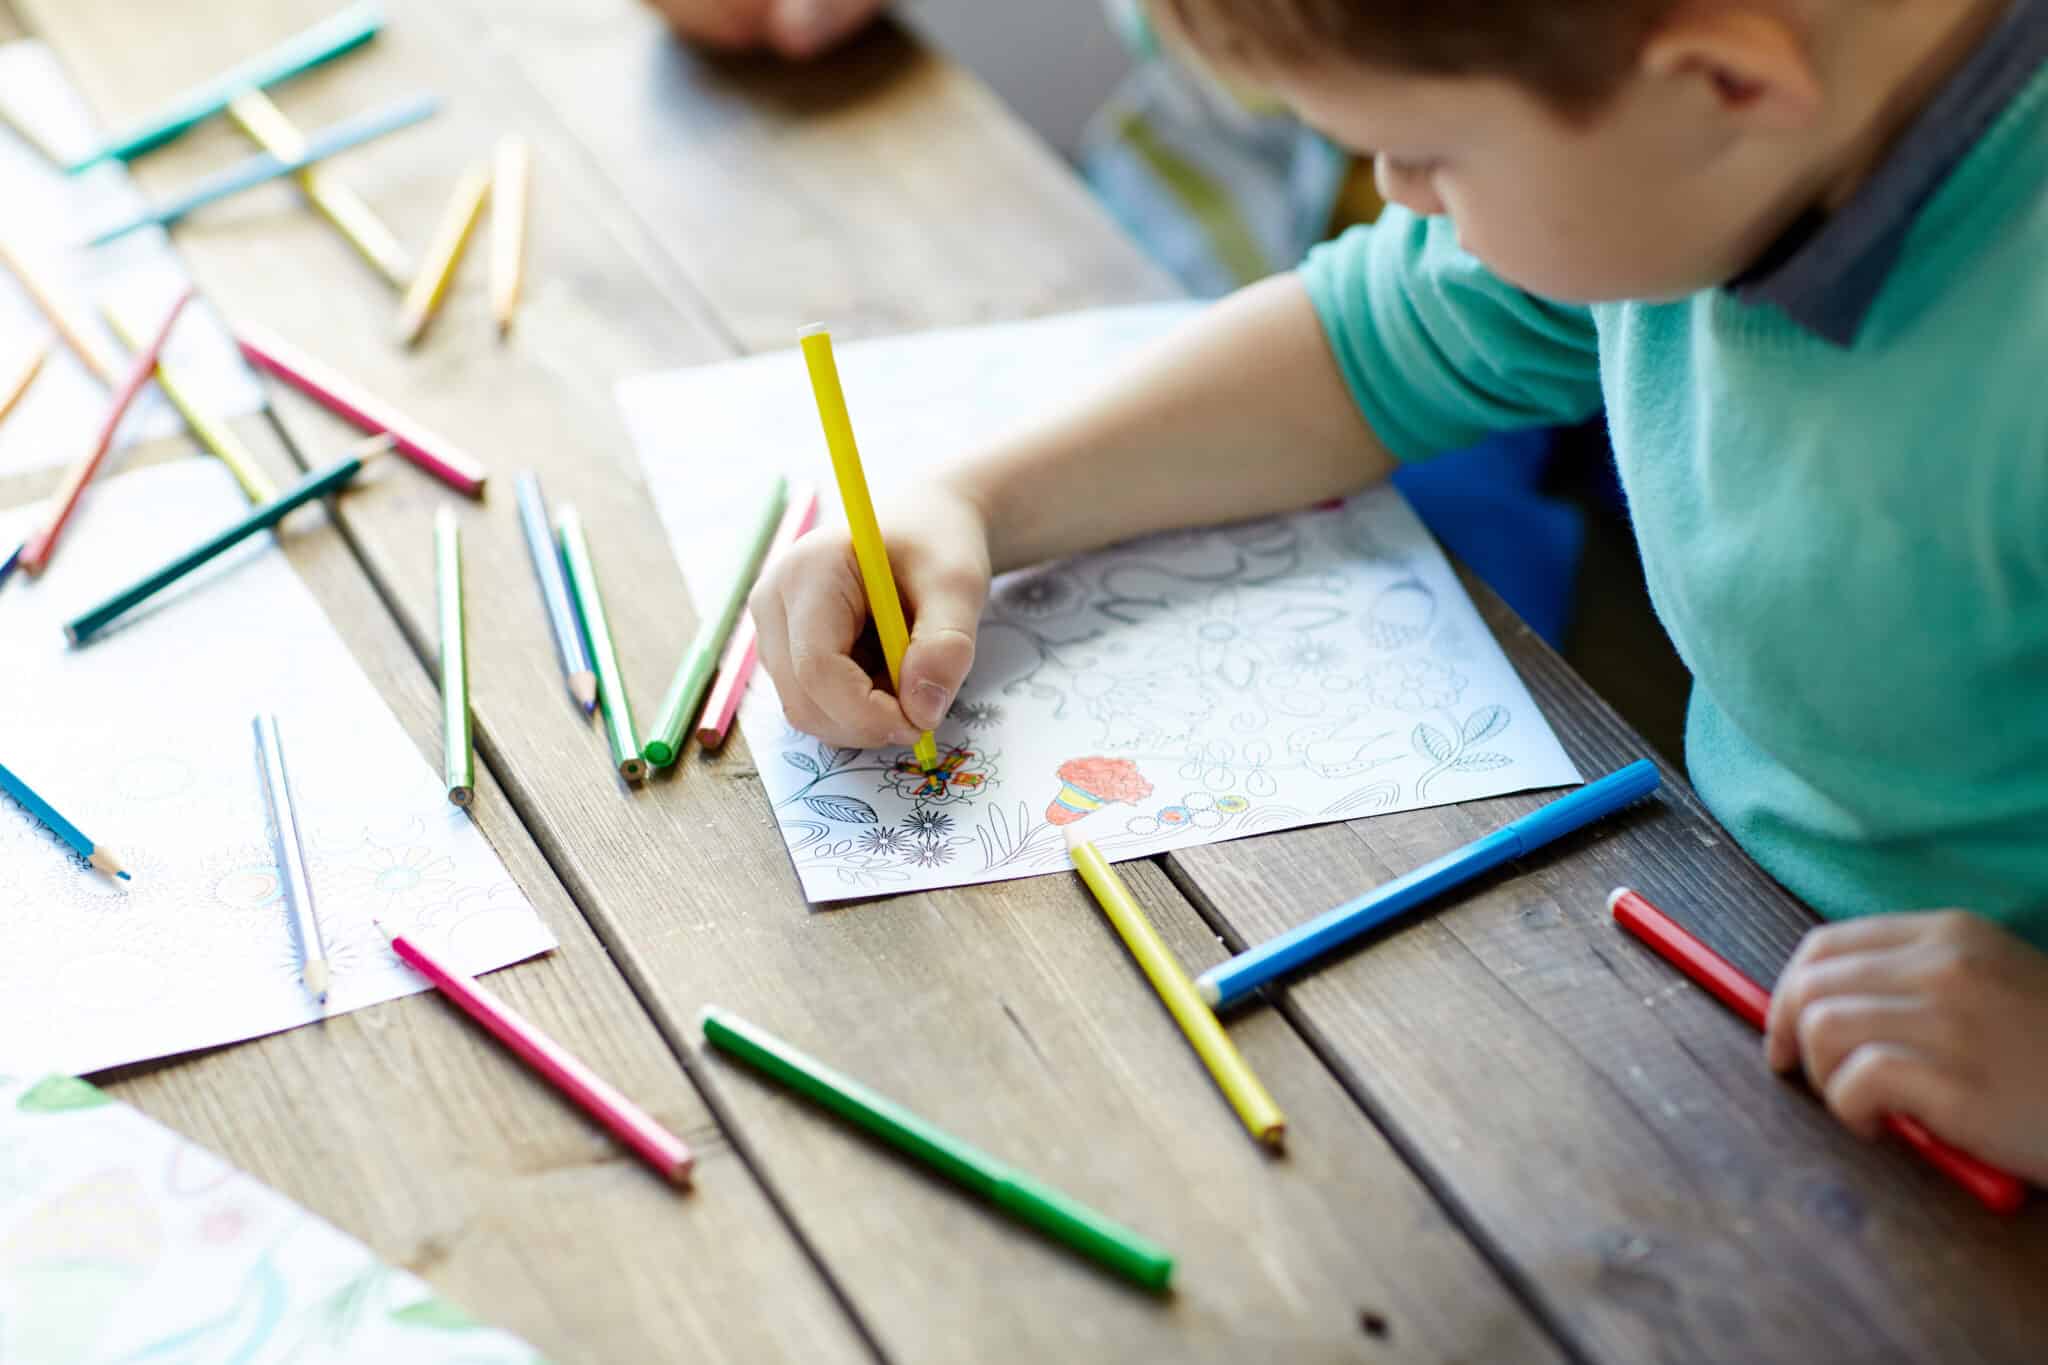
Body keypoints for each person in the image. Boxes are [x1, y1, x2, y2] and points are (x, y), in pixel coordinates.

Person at [747, 0, 2048, 1182]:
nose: (1393, 191)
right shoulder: (1693, 162)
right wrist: (977, 499)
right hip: (1750, 979)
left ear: (1722, 82)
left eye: (1429, 157)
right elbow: (1370, 345)